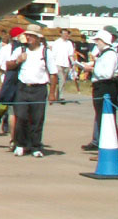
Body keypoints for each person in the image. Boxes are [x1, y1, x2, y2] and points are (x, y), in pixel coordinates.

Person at [10, 25, 50, 157]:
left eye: (32, 36)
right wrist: (18, 60)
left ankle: (35, 146)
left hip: (39, 88)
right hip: (23, 87)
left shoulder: (45, 52)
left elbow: (53, 73)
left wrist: (54, 93)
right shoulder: (20, 50)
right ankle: (20, 144)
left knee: (37, 118)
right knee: (21, 117)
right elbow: (8, 65)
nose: (29, 38)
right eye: (27, 35)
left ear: (38, 38)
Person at [80, 29, 118, 152]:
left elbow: (107, 74)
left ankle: (109, 146)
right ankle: (103, 145)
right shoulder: (104, 54)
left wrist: (92, 69)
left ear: (103, 41)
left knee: (107, 118)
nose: (96, 43)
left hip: (106, 87)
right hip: (100, 87)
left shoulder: (110, 54)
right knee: (101, 117)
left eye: (98, 40)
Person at [48, 29, 76, 104]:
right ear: (61, 34)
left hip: (66, 64)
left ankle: (58, 96)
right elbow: (53, 54)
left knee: (63, 81)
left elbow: (70, 54)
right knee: (61, 79)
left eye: (67, 34)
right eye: (64, 34)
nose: (66, 35)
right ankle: (61, 97)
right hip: (58, 63)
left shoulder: (69, 43)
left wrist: (73, 62)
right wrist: (52, 64)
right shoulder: (56, 43)